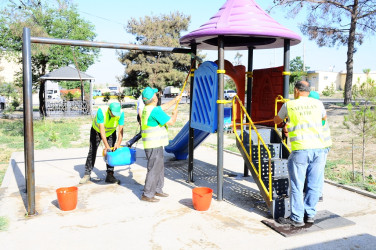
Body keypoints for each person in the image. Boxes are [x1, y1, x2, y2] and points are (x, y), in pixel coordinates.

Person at [274, 81, 326, 227]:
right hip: (319, 150)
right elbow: (323, 118)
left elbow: (277, 120)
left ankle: (297, 218)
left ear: (296, 90)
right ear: (308, 91)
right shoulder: (318, 104)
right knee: (314, 184)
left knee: (297, 185)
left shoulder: (289, 105)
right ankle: (309, 215)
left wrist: (284, 122)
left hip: (301, 150)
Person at [140, 87, 180, 202]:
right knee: (153, 169)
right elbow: (171, 122)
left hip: (153, 144)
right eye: (155, 94)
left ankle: (157, 189)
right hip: (154, 144)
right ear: (153, 98)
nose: (157, 96)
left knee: (159, 167)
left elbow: (163, 107)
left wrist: (175, 100)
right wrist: (175, 114)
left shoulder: (148, 108)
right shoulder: (154, 111)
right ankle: (147, 194)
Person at [80, 102, 124, 184]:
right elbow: (102, 132)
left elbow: (121, 131)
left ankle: (110, 175)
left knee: (112, 153)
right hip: (97, 131)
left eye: (116, 114)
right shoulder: (101, 111)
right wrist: (107, 147)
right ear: (109, 110)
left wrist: (118, 144)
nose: (114, 115)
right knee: (92, 151)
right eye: (113, 113)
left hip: (111, 132)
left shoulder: (121, 113)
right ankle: (87, 174)